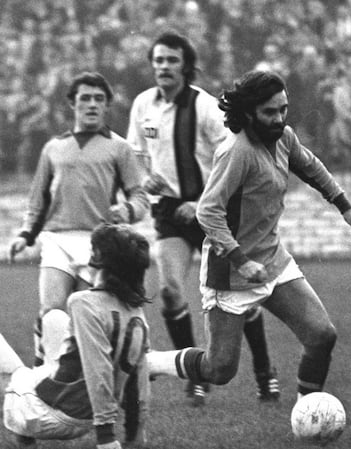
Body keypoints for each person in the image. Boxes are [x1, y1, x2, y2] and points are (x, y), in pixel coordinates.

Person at [146, 70, 351, 401]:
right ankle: (150, 362)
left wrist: (345, 206)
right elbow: (208, 212)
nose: (279, 118)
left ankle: (307, 412)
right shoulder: (236, 151)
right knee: (220, 369)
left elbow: (310, 166)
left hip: (272, 261)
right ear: (249, 112)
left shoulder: (284, 137)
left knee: (321, 336)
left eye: (283, 109)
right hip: (230, 273)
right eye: (269, 112)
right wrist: (241, 260)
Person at [125, 31, 280, 404]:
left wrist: (200, 202)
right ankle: (196, 377)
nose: (164, 67)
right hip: (170, 213)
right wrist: (146, 179)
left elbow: (233, 156)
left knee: (240, 297)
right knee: (169, 290)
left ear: (186, 66)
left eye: (171, 60)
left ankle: (264, 373)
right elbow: (136, 154)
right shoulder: (143, 104)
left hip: (215, 213)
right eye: (158, 60)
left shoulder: (205, 107)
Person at [0, 223, 150, 449]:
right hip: (85, 417)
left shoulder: (83, 303)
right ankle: (25, 432)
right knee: (54, 318)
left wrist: (106, 438)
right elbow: (139, 376)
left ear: (97, 259)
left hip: (50, 415)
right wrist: (135, 436)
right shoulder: (135, 312)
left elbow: (98, 367)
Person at [8, 72, 149, 368]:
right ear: (73, 104)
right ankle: (44, 368)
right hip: (57, 239)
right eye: (85, 98)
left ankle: (79, 377)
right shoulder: (53, 147)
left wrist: (127, 211)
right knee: (51, 310)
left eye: (99, 99)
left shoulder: (119, 148)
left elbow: (140, 197)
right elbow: (38, 199)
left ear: (107, 105)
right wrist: (25, 234)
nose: (92, 104)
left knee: (85, 317)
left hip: (98, 244)